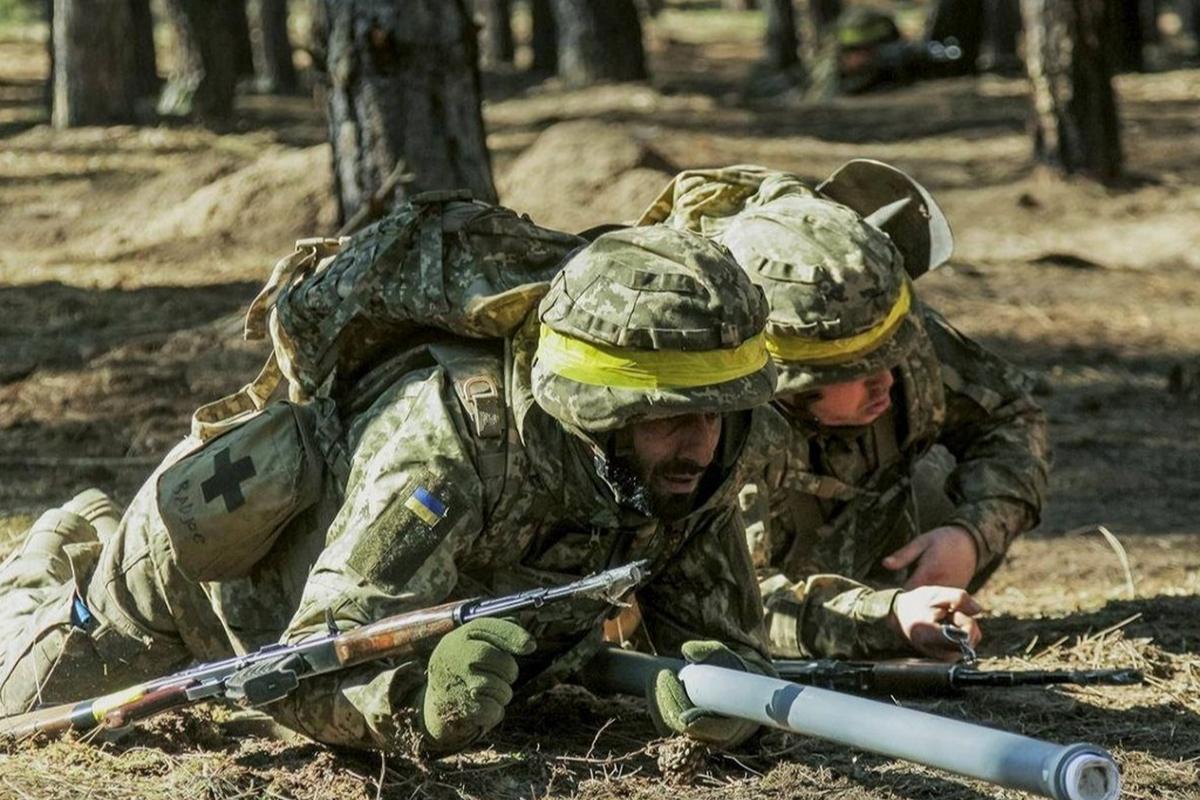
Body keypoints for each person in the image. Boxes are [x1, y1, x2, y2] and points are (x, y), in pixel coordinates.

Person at [0, 224, 787, 753]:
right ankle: (52, 552)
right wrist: (416, 710)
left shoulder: (692, 463)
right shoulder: (446, 444)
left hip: (363, 602)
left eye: (721, 414)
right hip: (184, 605)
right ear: (597, 412)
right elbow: (302, 665)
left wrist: (728, 699)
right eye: (672, 417)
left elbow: (722, 644)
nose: (702, 443)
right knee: (20, 716)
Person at [638, 164, 1049, 660]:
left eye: (891, 357)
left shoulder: (884, 331)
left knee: (934, 484)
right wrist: (887, 619)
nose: (888, 381)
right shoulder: (707, 426)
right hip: (763, 598)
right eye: (857, 371)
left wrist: (969, 536)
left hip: (875, 554)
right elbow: (726, 604)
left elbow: (1011, 416)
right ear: (784, 379)